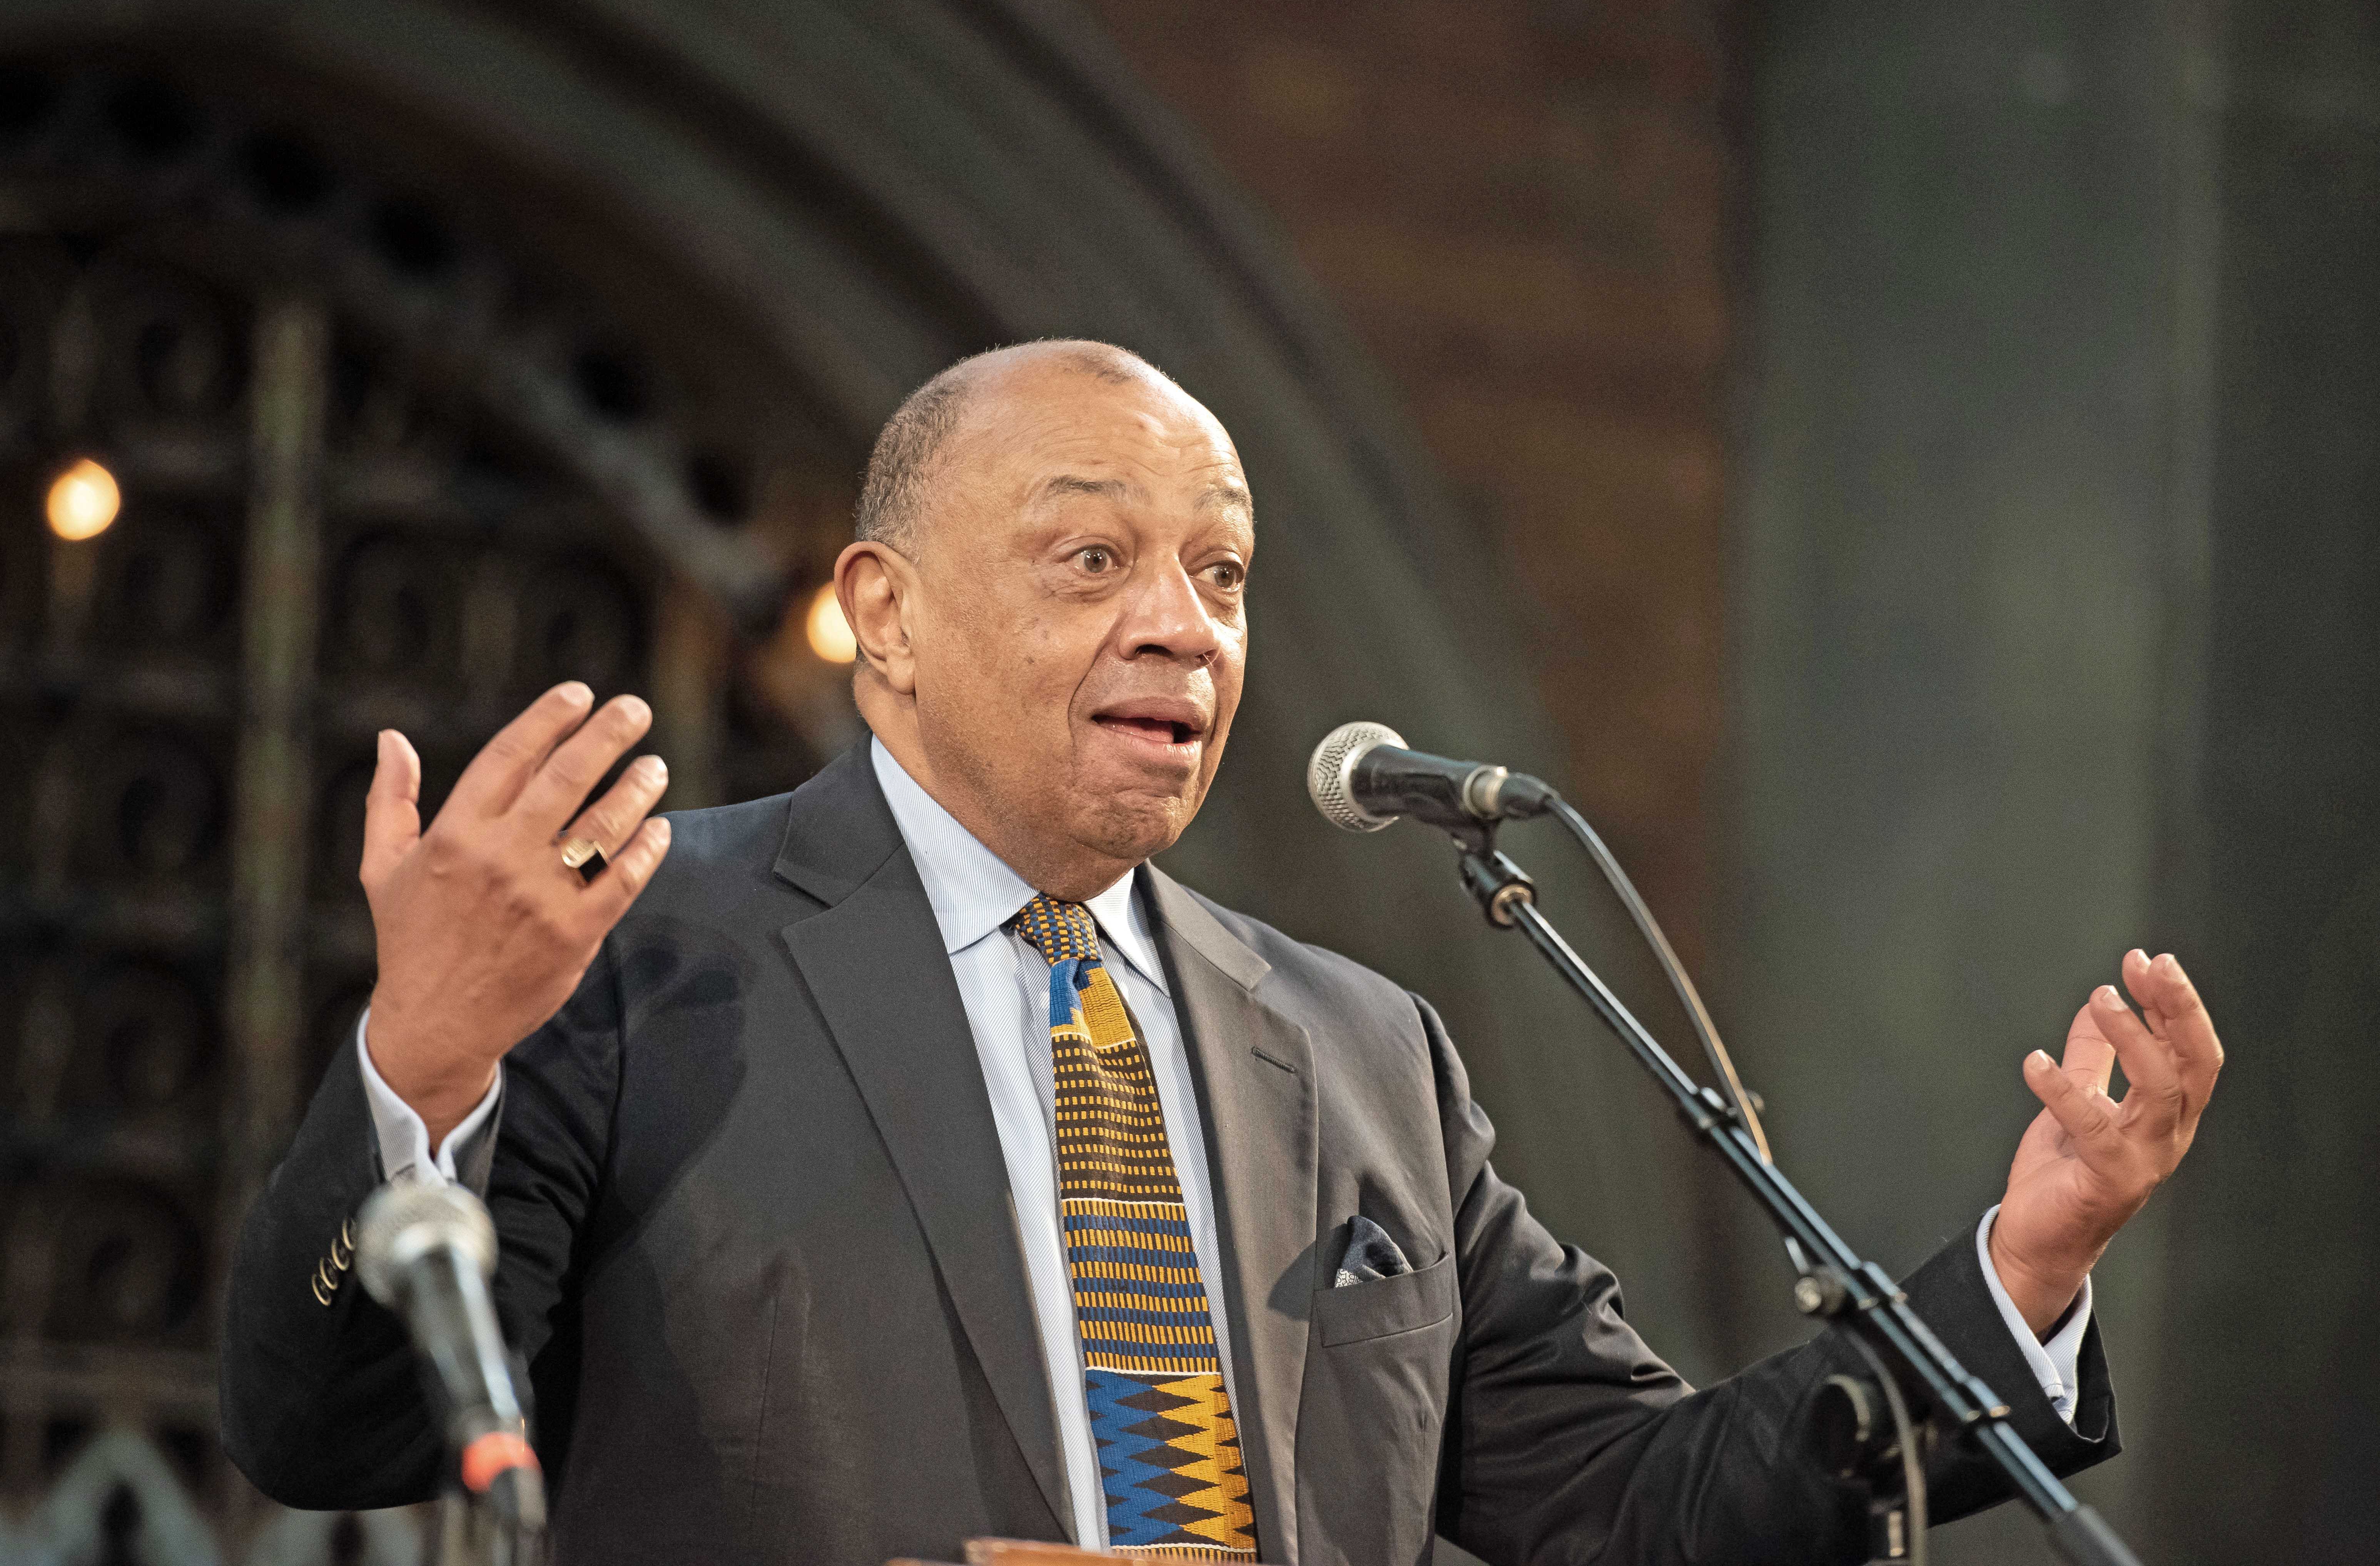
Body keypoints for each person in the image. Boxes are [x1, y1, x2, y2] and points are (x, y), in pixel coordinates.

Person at [220, 341, 2221, 1566]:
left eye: (1226, 574)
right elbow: (326, 1433)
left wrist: (2019, 1277)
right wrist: (428, 1075)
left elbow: (1633, 1512)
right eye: (1094, 560)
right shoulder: (656, 952)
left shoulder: (1361, 1056)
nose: (1186, 625)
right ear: (886, 616)